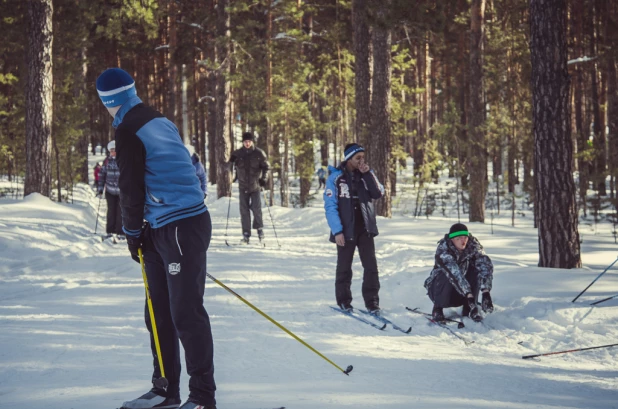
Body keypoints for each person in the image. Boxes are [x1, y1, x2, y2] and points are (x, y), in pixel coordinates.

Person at [96, 67, 216, 409]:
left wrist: (131, 233)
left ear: (107, 101)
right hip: (161, 226)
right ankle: (165, 389)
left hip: (181, 224)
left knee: (185, 313)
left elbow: (130, 189)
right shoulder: (155, 118)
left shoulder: (129, 128)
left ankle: (203, 397)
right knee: (157, 311)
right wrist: (143, 232)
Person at [324, 143, 384, 314]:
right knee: (344, 266)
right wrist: (337, 231)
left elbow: (378, 193)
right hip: (345, 228)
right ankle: (344, 300)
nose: (361, 160)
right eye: (358, 158)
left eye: (363, 157)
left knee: (371, 266)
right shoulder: (336, 178)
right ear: (348, 159)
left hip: (365, 227)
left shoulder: (367, 174)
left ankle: (372, 302)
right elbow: (330, 206)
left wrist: (368, 175)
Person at [424, 223, 494, 323]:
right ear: (452, 239)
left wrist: (486, 291)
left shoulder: (473, 245)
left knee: (475, 268)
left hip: (462, 292)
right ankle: (438, 308)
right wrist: (469, 295)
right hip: (441, 290)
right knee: (445, 273)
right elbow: (455, 275)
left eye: (465, 237)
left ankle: (469, 307)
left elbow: (485, 264)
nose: (463, 241)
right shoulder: (444, 249)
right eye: (459, 238)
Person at [229, 132, 270, 244]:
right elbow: (229, 167)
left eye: (249, 141)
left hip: (255, 186)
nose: (247, 143)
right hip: (242, 186)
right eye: (245, 141)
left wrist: (264, 179)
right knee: (244, 211)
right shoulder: (238, 153)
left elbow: (266, 167)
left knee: (256, 208)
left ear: (252, 142)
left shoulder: (259, 153)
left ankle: (260, 230)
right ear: (243, 142)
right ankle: (246, 234)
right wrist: (230, 170)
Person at [97, 142, 123, 239]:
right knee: (111, 211)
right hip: (110, 190)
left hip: (121, 191)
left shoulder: (122, 160)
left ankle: (121, 232)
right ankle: (110, 231)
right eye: (111, 151)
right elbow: (101, 175)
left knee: (121, 212)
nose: (113, 152)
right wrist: (100, 189)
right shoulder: (107, 161)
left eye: (114, 150)